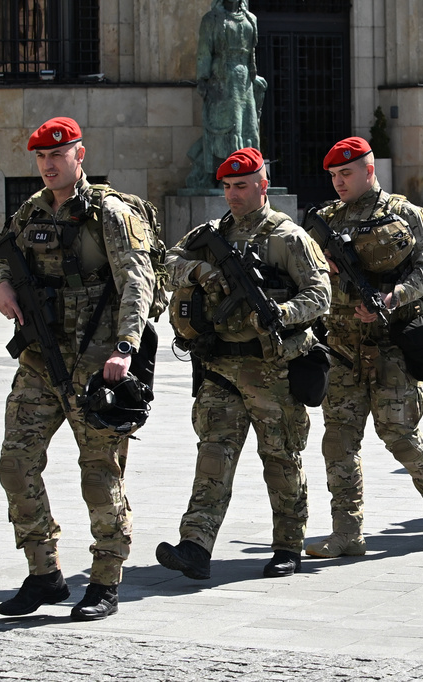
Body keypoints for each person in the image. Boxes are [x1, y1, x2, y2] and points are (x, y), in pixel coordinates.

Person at [0, 117, 156, 620]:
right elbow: (3, 256)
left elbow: (138, 281)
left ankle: (105, 580)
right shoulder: (31, 210)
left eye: (57, 156)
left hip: (95, 368)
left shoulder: (109, 212)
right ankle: (44, 573)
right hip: (40, 361)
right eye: (41, 158)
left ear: (79, 156)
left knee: (99, 475)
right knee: (15, 465)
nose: (47, 165)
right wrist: (0, 286)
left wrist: (124, 349)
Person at [156, 147, 331, 579]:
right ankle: (195, 545)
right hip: (219, 368)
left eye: (242, 186)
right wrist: (200, 272)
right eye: (228, 187)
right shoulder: (210, 235)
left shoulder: (288, 238)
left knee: (281, 459)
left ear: (262, 186)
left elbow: (320, 295)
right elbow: (167, 264)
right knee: (213, 456)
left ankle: (288, 545)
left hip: (272, 370)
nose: (233, 195)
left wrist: (282, 313)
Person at [304, 137, 423, 558]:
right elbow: (305, 278)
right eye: (333, 176)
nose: (338, 183)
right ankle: (347, 533)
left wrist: (396, 296)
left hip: (391, 346)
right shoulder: (325, 221)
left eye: (346, 174)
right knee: (338, 442)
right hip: (342, 349)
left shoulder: (406, 215)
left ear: (369, 171)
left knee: (399, 435)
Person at [186, 0, 268, 189]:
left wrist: (254, 77)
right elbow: (204, 51)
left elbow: (251, 54)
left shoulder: (250, 19)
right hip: (221, 78)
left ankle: (249, 172)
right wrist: (203, 80)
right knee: (224, 126)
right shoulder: (212, 19)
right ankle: (218, 174)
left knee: (248, 127)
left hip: (244, 79)